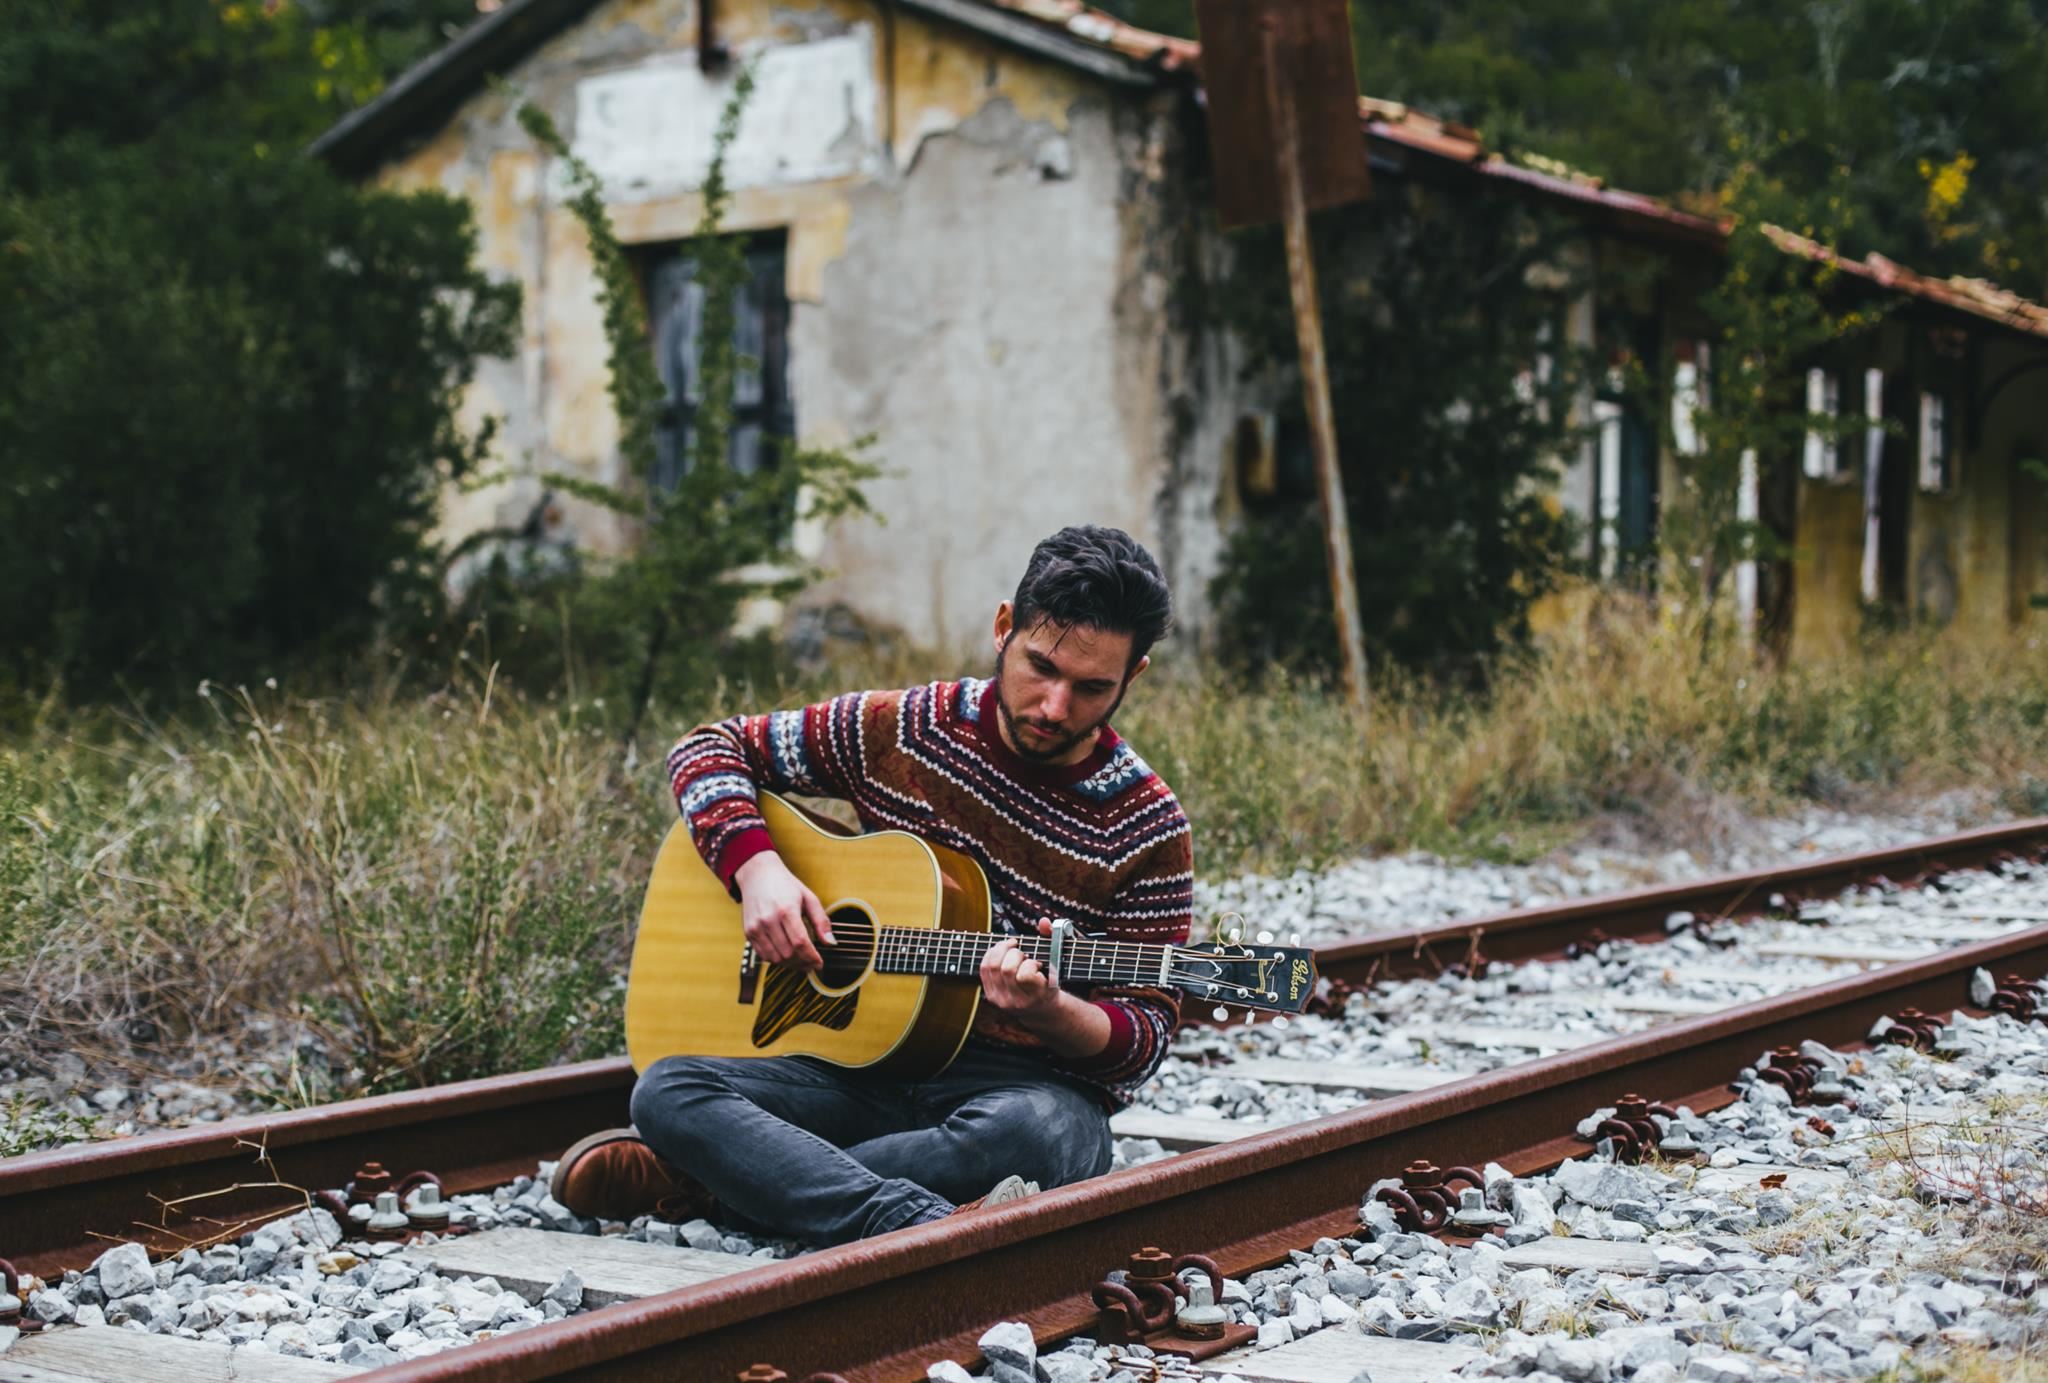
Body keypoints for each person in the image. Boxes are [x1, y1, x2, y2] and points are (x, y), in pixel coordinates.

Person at [550, 525, 1193, 1245]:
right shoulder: (902, 728)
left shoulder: (1148, 825)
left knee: (1047, 1137)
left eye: (1091, 686)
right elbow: (708, 748)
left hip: (1016, 1089)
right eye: (1040, 667)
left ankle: (721, 1187)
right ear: (1003, 627)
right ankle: (908, 1218)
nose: (1053, 704)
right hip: (859, 1072)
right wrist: (756, 870)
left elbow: (1144, 1037)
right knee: (667, 1088)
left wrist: (1050, 1011)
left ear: (1133, 675)